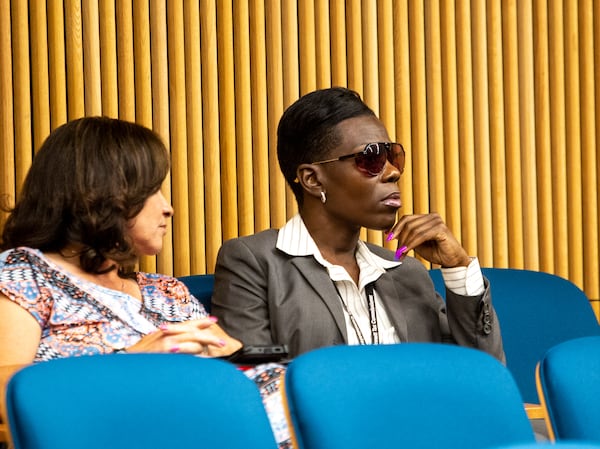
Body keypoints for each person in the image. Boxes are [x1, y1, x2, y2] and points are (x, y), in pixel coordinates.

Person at [0, 117, 290, 448]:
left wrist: (239, 356)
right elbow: (5, 387)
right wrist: (126, 363)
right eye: (151, 191)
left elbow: (246, 374)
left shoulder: (168, 292)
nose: (168, 208)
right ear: (98, 191)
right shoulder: (23, 273)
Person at [212, 87, 505, 363]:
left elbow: (484, 378)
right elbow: (256, 382)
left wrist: (458, 267)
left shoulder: (407, 273)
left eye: (393, 157)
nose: (392, 173)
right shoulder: (255, 262)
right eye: (371, 158)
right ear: (313, 180)